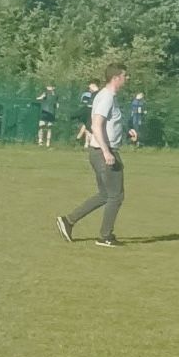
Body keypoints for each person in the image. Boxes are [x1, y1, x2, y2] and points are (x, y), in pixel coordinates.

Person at [56, 64, 129, 245]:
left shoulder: (106, 96)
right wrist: (106, 152)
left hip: (99, 151)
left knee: (105, 194)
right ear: (116, 78)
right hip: (104, 152)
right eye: (125, 76)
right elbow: (96, 125)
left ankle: (68, 220)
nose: (127, 79)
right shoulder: (107, 98)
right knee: (116, 196)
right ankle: (105, 237)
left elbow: (109, 124)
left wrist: (127, 132)